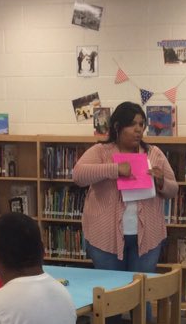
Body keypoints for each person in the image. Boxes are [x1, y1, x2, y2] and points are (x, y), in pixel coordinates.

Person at [72, 101, 178, 272]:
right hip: (105, 238)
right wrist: (115, 169)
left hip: (147, 238)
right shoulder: (101, 151)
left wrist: (161, 182)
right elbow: (78, 175)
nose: (138, 129)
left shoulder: (154, 153)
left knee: (142, 292)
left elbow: (174, 189)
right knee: (112, 293)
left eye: (141, 124)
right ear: (117, 126)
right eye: (132, 124)